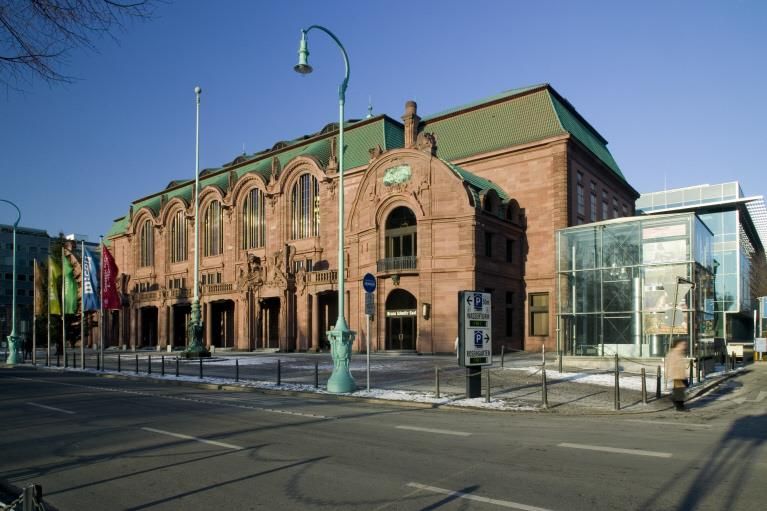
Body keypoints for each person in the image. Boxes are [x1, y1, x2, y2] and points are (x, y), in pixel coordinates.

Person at [667, 339, 690, 411]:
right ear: (677, 344)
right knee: (680, 392)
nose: (684, 346)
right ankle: (680, 407)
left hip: (681, 375)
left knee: (680, 391)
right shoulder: (673, 353)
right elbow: (670, 365)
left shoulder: (680, 353)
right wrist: (672, 374)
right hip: (677, 376)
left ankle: (675, 400)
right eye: (682, 344)